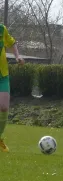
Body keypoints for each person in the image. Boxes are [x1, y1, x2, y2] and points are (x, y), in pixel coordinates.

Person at [0, 24, 24, 152]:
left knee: (4, 107)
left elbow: (12, 43)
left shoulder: (2, 29)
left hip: (2, 75)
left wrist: (17, 56)